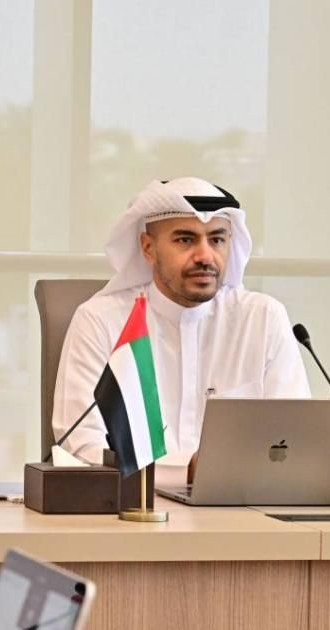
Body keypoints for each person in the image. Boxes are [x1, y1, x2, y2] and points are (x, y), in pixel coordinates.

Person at [52, 177, 311, 480]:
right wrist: (187, 470)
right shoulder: (102, 321)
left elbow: (293, 437)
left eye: (217, 240)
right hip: (130, 504)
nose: (205, 256)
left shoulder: (262, 319)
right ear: (148, 248)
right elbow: (81, 444)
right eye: (186, 240)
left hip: (239, 503)